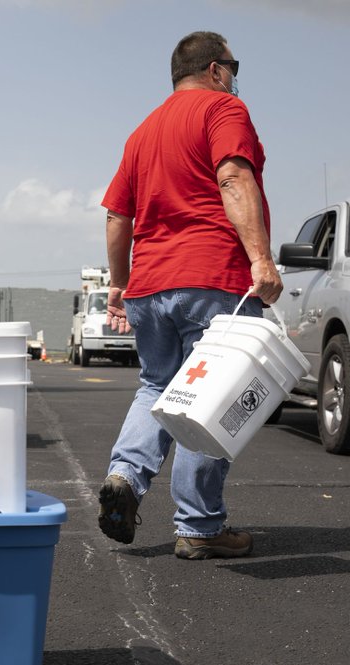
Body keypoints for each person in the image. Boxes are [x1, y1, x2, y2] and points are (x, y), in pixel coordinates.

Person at [97, 31, 283, 560]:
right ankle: (198, 526)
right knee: (213, 395)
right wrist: (261, 259)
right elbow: (232, 176)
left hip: (150, 282)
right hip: (211, 275)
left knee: (157, 384)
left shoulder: (142, 130)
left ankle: (125, 480)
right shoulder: (222, 109)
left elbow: (116, 215)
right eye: (234, 66)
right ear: (217, 69)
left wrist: (119, 283)